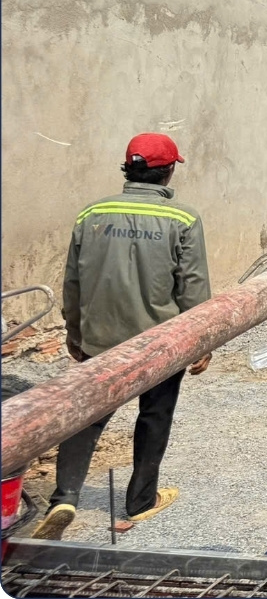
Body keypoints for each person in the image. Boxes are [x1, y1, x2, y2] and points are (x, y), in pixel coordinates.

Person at [32, 134, 211, 540]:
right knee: (154, 415)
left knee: (87, 417)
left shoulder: (92, 213)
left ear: (129, 169)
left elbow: (73, 281)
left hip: (100, 339)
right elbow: (193, 286)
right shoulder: (182, 219)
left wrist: (75, 332)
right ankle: (141, 500)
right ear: (169, 171)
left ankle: (64, 497)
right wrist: (202, 342)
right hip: (160, 343)